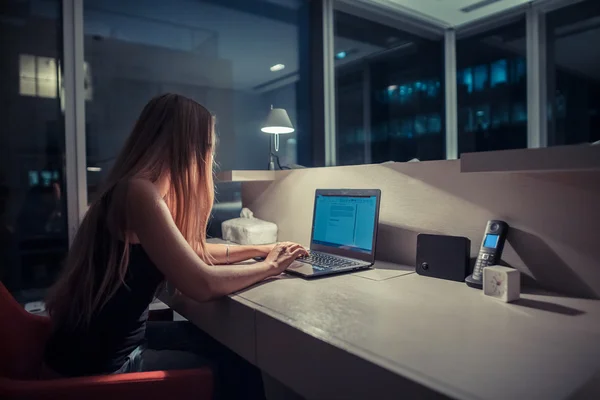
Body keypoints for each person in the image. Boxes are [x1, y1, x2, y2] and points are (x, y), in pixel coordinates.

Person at [44, 93, 307, 399]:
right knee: (240, 365)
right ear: (187, 145)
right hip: (98, 369)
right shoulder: (139, 193)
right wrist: (271, 267)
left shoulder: (137, 187)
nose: (209, 153)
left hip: (87, 352)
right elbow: (201, 284)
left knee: (222, 343)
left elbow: (194, 252)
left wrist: (261, 249)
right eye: (207, 144)